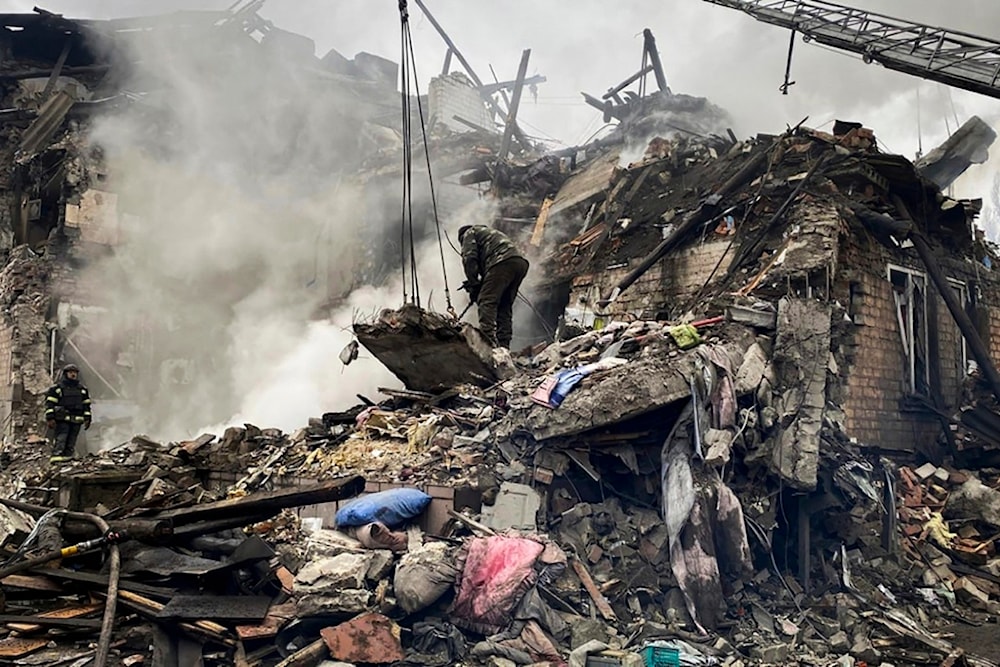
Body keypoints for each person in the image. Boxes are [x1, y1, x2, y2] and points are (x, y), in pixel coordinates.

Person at [458, 224, 529, 349]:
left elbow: (469, 258)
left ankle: (487, 342)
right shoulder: (489, 235)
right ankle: (504, 346)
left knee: (486, 301)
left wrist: (473, 284)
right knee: (504, 306)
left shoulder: (469, 233)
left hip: (502, 262)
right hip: (519, 263)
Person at [45, 364, 92, 463]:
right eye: (71, 372)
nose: (73, 374)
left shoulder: (82, 390)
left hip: (76, 420)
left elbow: (86, 405)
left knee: (71, 442)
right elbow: (50, 404)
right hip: (63, 420)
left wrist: (87, 418)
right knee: (61, 439)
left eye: (74, 372)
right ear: (66, 374)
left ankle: (67, 460)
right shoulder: (57, 389)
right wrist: (50, 418)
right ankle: (56, 460)